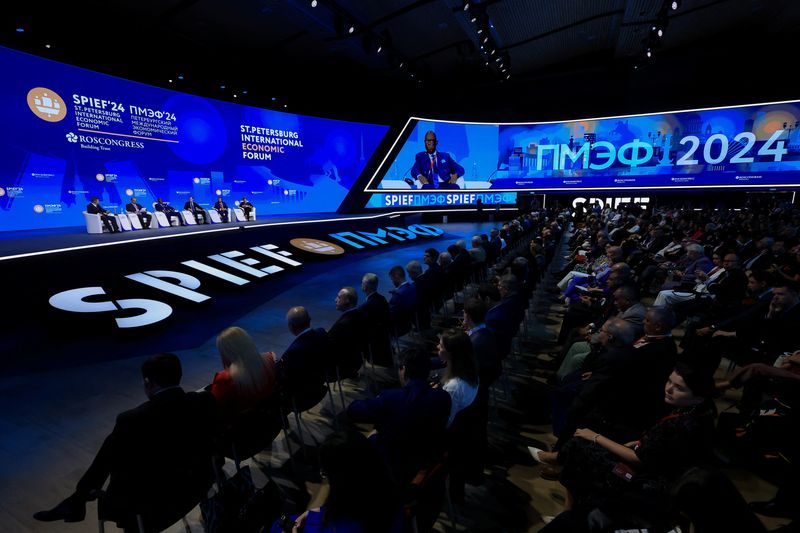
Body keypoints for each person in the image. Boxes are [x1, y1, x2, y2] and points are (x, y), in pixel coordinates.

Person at [33, 354, 216, 529]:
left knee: (115, 445)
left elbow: (120, 470)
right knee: (117, 443)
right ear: (179, 376)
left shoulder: (132, 420)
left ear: (147, 382)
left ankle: (79, 498)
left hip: (150, 510)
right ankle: (78, 499)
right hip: (196, 488)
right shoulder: (203, 401)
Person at [533, 363, 717, 523]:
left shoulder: (681, 424)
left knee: (581, 447)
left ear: (698, 396)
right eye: (669, 381)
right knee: (583, 444)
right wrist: (638, 442)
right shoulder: (700, 411)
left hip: (650, 484)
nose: (669, 388)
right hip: (657, 469)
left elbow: (640, 459)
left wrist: (596, 437)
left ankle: (568, 512)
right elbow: (663, 448)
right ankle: (568, 505)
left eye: (679, 387)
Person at [347, 347, 451, 484]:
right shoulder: (444, 397)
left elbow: (353, 410)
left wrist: (378, 400)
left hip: (395, 466)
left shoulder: (390, 398)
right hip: (428, 460)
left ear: (403, 370)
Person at [271, 430, 402, 533]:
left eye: (325, 473)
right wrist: (314, 513)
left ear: (340, 481)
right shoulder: (391, 492)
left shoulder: (334, 526)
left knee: (277, 525)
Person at [210, 326, 277, 419]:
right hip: (273, 422)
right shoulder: (270, 361)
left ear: (227, 353)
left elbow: (214, 410)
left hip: (242, 431)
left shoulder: (225, 380)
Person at [276, 306, 329, 412]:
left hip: (301, 399)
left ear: (292, 326)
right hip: (320, 386)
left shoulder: (293, 352)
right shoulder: (322, 333)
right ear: (309, 320)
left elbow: (282, 378)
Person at [437, 328, 480, 427]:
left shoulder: (453, 387)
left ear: (452, 354)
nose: (437, 346)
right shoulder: (471, 368)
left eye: (441, 346)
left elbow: (447, 421)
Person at [327, 286, 367, 379]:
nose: (335, 300)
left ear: (347, 301)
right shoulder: (361, 315)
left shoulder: (342, 325)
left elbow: (329, 348)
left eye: (339, 297)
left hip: (341, 368)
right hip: (357, 361)